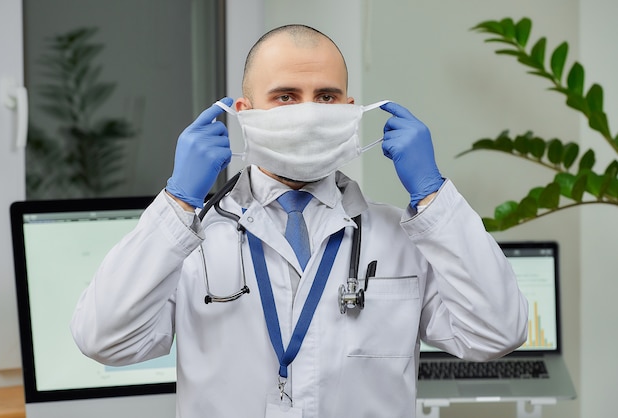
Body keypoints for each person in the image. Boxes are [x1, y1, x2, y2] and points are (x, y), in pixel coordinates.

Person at [71, 24, 528, 418]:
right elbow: (104, 339)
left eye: (326, 97)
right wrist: (177, 203)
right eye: (285, 97)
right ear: (244, 115)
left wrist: (434, 196)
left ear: (349, 111)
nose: (308, 113)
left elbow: (497, 333)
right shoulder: (192, 240)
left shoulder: (398, 238)